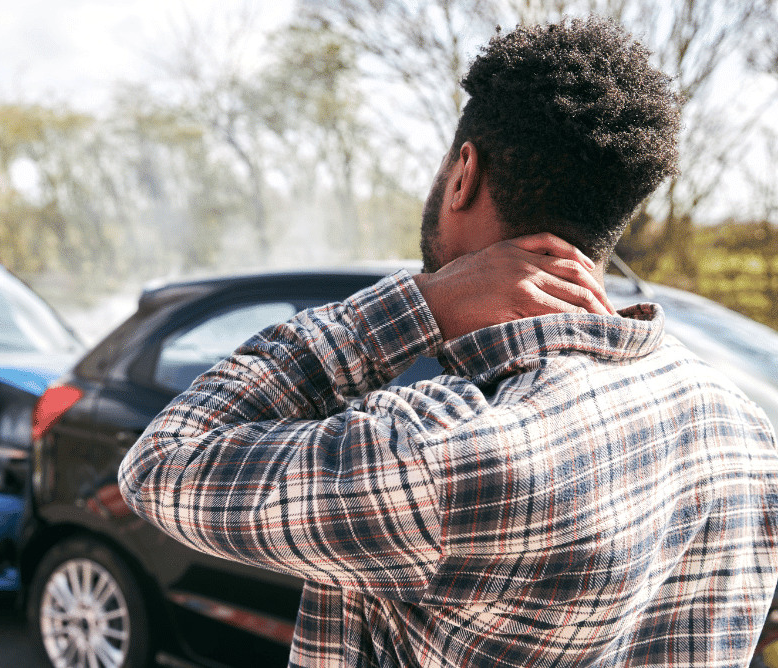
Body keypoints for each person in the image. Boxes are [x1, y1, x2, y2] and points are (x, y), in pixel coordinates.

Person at [120, 16, 778, 668]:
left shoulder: (442, 452)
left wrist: (416, 304)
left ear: (464, 172)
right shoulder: (743, 431)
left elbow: (162, 464)